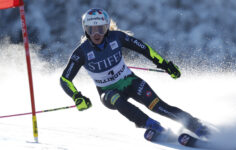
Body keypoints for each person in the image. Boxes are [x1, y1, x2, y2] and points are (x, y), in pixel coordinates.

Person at [60, 8, 209, 138]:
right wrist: (77, 97)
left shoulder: (117, 37)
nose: (96, 34)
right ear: (85, 29)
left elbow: (143, 48)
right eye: (92, 29)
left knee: (158, 106)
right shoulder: (81, 52)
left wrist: (165, 65)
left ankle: (196, 125)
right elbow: (65, 79)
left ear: (107, 28)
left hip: (130, 81)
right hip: (107, 91)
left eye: (101, 28)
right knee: (116, 98)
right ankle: (151, 125)